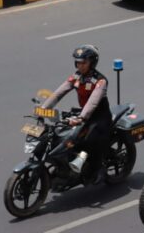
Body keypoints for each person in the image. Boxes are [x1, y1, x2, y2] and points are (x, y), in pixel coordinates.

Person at [42, 44, 112, 184]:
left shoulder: (100, 81)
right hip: (83, 115)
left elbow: (92, 103)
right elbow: (59, 93)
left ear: (92, 62)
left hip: (99, 117)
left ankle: (96, 171)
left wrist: (81, 118)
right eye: (78, 62)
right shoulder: (76, 77)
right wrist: (44, 108)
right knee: (63, 135)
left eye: (83, 62)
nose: (80, 66)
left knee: (89, 141)